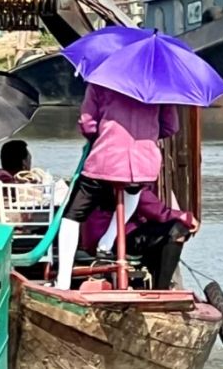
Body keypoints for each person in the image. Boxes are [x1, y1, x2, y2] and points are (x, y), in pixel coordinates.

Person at [55, 83, 179, 290]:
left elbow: (88, 124)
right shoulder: (159, 87)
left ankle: (63, 281)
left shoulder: (100, 83)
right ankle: (107, 241)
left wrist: (103, 134)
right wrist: (146, 135)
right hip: (143, 163)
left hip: (106, 158)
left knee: (72, 216)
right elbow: (170, 127)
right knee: (132, 191)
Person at [81, 187, 199, 290]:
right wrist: (184, 217)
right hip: (111, 235)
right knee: (178, 229)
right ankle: (161, 289)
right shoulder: (133, 175)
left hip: (100, 234)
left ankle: (149, 284)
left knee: (159, 232)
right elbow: (149, 205)